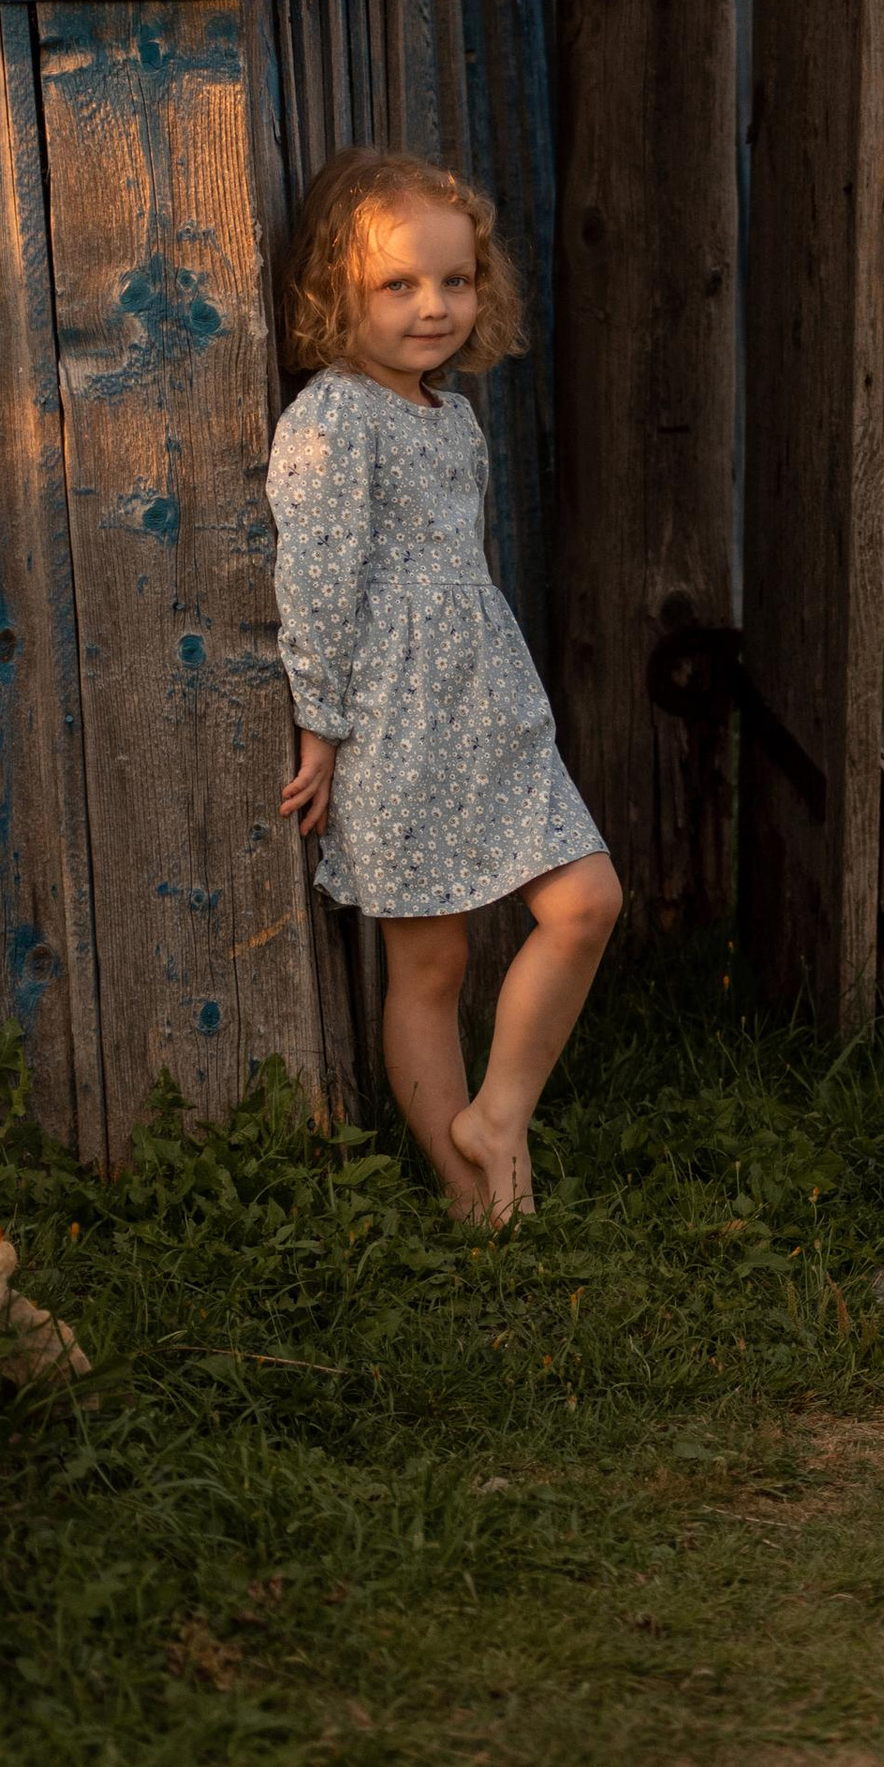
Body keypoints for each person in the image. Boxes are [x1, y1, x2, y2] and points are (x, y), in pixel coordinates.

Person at [266, 148, 619, 1223]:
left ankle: (495, 1112)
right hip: (396, 723)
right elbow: (314, 583)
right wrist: (321, 730)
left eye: (454, 281)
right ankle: (472, 1199)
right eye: (398, 285)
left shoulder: (445, 412)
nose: (434, 307)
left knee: (585, 902)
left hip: (487, 711)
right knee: (431, 964)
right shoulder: (331, 422)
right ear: (336, 292)